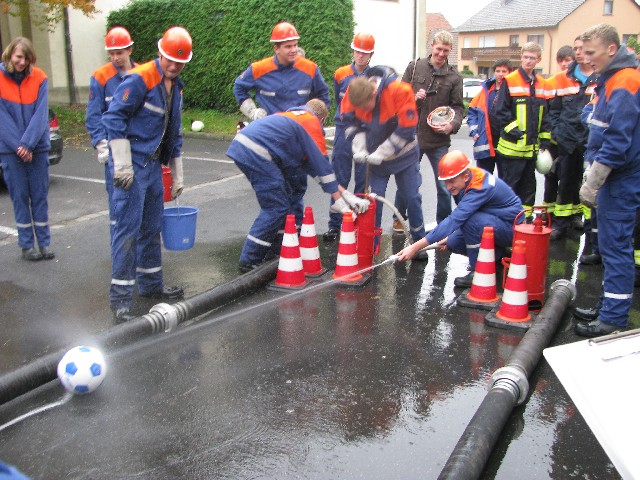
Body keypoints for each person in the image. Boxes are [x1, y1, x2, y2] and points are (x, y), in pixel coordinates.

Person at [102, 26, 191, 323]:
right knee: (126, 231)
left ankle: (152, 285)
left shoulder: (176, 87)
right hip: (134, 165)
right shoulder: (140, 78)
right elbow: (114, 117)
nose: (174, 66)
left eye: (180, 62)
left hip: (153, 167)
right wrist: (121, 163)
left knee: (151, 228)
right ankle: (120, 300)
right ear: (160, 53)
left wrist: (177, 173)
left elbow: (174, 132)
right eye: (170, 59)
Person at [226, 99, 370, 272]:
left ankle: (275, 251)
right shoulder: (311, 123)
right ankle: (249, 259)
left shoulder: (294, 116)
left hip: (246, 146)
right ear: (322, 119)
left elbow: (313, 168)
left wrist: (345, 194)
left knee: (284, 201)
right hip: (256, 151)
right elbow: (322, 165)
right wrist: (341, 204)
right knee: (276, 207)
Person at [574, 24, 640, 337]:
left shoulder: (624, 81)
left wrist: (594, 181)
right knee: (611, 247)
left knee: (615, 248)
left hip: (620, 178)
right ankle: (607, 307)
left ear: (611, 49)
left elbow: (617, 140)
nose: (586, 59)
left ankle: (613, 318)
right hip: (616, 177)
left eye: (591, 52)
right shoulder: (612, 79)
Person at [395, 150, 522, 288]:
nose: (448, 187)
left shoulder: (479, 187)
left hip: (512, 229)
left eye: (452, 181)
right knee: (453, 242)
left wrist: (415, 247)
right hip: (495, 222)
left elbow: (455, 220)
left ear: (465, 176)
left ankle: (479, 272)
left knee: (471, 221)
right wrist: (448, 236)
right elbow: (462, 217)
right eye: (446, 182)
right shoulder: (465, 179)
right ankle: (497, 257)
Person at [340, 67, 428, 259]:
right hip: (377, 162)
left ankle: (418, 243)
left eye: (366, 107)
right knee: (373, 201)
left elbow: (406, 130)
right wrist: (359, 145)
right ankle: (370, 247)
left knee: (411, 197)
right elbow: (350, 123)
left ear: (374, 93)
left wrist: (382, 152)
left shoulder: (400, 91)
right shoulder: (353, 94)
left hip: (405, 156)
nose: (364, 112)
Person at [397, 30, 464, 229]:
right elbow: (398, 96)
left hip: (439, 140)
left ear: (450, 51)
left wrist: (452, 125)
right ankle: (398, 218)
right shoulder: (415, 67)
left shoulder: (454, 76)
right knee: (407, 181)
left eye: (446, 50)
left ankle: (444, 224)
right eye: (439, 49)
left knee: (445, 186)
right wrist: (412, 97)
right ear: (432, 46)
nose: (441, 54)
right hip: (412, 136)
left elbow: (458, 107)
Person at [0, 37, 55, 261]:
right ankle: (26, 245)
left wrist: (28, 144)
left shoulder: (40, 78)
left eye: (27, 58)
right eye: (19, 57)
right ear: (10, 54)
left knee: (40, 196)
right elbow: (2, 119)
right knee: (20, 197)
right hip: (10, 150)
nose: (22, 62)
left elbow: (41, 115)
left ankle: (44, 243)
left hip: (37, 148)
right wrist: (20, 146)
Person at [323, 32, 375, 242]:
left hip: (366, 132)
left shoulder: (376, 77)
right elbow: (339, 99)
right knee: (339, 178)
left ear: (371, 55)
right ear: (353, 51)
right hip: (344, 130)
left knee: (362, 180)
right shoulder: (341, 74)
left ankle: (357, 224)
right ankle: (335, 225)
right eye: (357, 51)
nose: (360, 56)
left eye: (364, 53)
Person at [85, 27, 136, 239]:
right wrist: (101, 145)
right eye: (112, 53)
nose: (115, 57)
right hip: (114, 152)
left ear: (130, 50)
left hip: (138, 149)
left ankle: (137, 248)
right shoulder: (101, 77)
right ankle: (120, 248)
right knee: (118, 204)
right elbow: (93, 115)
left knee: (139, 204)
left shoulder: (142, 74)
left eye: (119, 52)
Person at [545, 39, 597, 241]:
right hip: (567, 141)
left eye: (581, 49)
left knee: (587, 182)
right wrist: (558, 133)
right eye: (575, 49)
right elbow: (553, 111)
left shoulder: (600, 77)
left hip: (591, 140)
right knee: (565, 183)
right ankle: (560, 224)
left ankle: (585, 223)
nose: (578, 52)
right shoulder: (561, 79)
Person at [494, 42, 552, 210]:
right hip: (512, 150)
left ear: (538, 60)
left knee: (528, 189)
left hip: (531, 151)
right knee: (509, 189)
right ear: (521, 57)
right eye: (525, 57)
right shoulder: (510, 80)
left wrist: (545, 142)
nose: (528, 61)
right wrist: (515, 132)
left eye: (532, 58)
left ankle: (525, 220)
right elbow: (500, 111)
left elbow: (545, 116)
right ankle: (508, 221)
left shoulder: (542, 84)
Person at [233, 22, 330, 121]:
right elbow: (239, 87)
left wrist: (316, 120)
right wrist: (252, 111)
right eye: (288, 46)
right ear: (276, 48)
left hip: (299, 127)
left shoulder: (310, 68)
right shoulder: (259, 69)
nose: (294, 50)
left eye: (295, 45)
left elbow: (323, 95)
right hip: (270, 127)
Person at [467, 59, 513, 175]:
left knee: (505, 180)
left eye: (504, 71)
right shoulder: (486, 90)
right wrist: (474, 131)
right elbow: (472, 111)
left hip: (506, 143)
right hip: (486, 143)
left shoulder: (514, 91)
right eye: (498, 71)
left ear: (510, 73)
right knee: (483, 179)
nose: (500, 74)